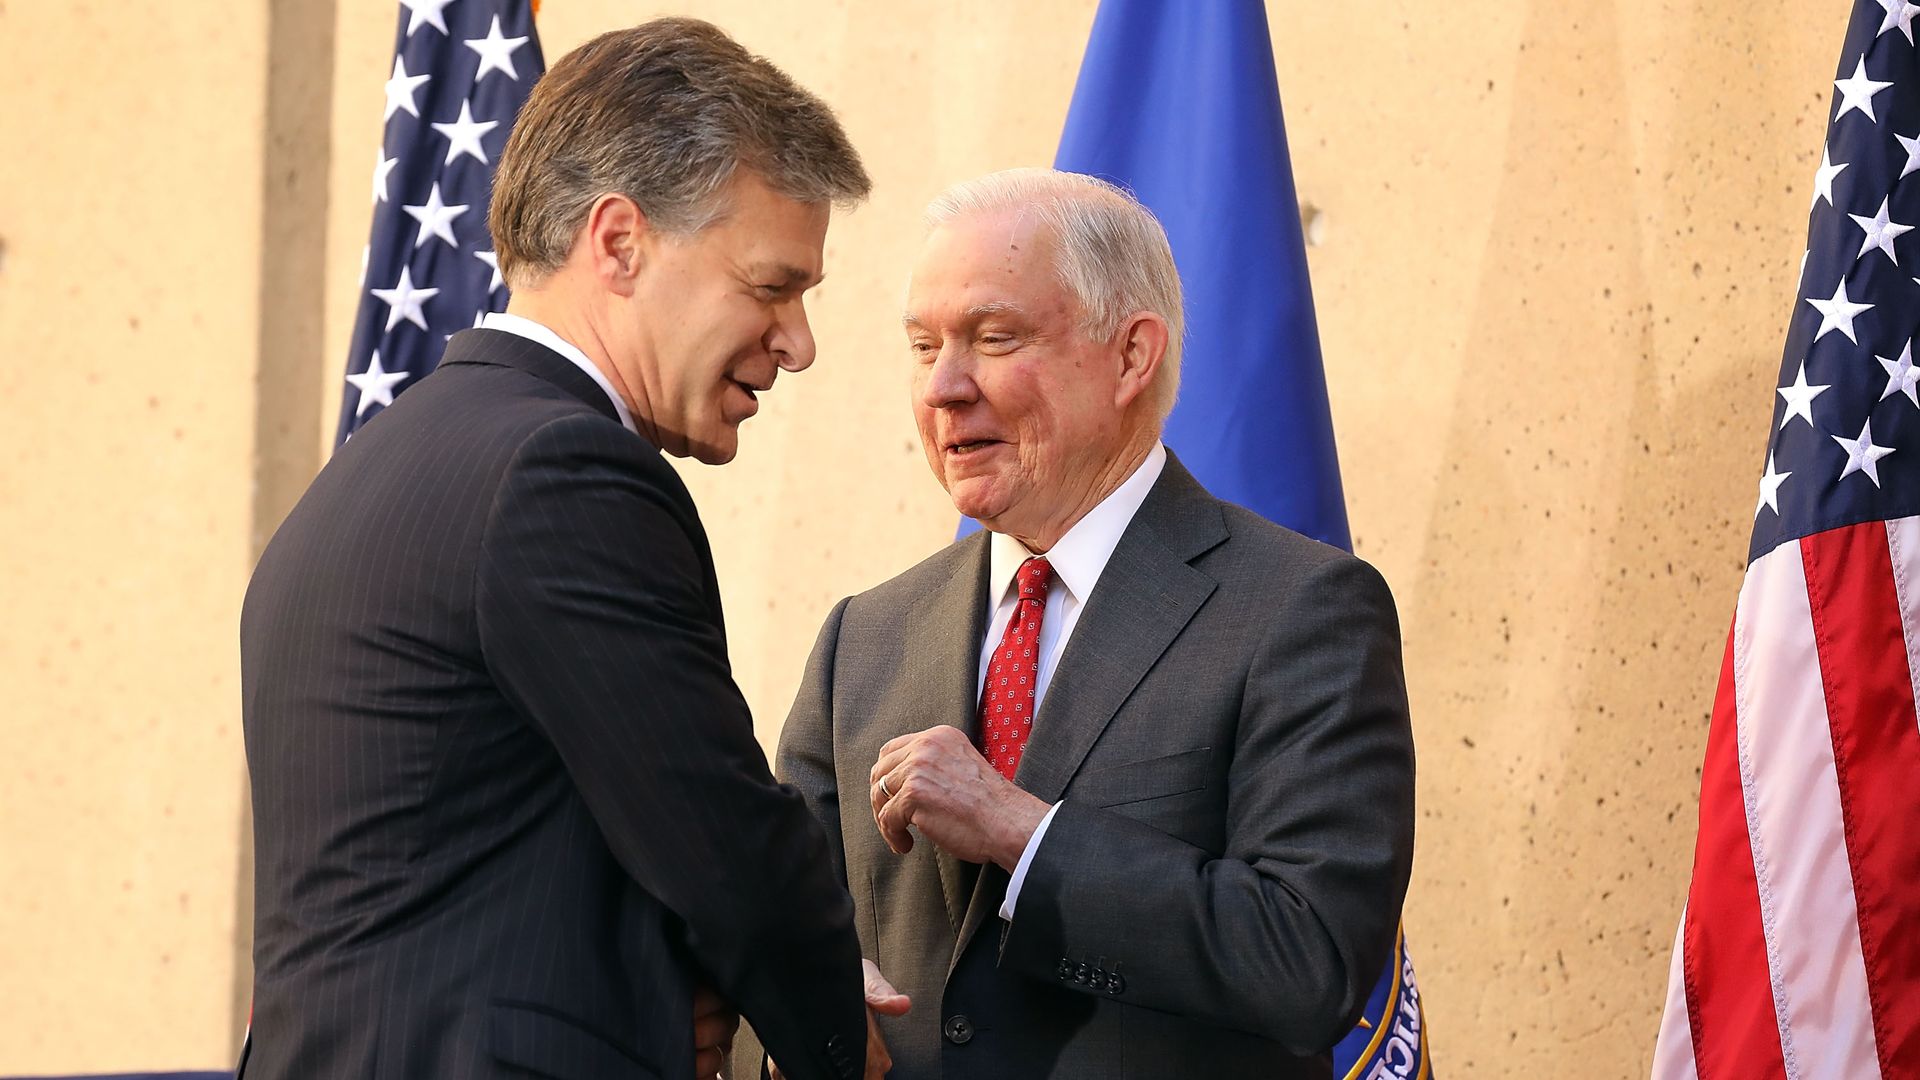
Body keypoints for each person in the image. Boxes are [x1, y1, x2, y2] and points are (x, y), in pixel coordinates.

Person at [241, 20, 880, 1080]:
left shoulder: (368, 475)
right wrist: (832, 1034)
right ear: (620, 242)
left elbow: (491, 863)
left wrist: (661, 981)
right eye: (771, 287)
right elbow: (721, 843)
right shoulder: (561, 475)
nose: (799, 342)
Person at [754, 169, 1416, 1079]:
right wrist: (806, 1012)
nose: (945, 387)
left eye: (994, 338)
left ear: (1132, 356)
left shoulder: (1300, 613)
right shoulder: (864, 637)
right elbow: (776, 933)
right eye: (921, 347)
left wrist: (1023, 833)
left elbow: (1310, 962)